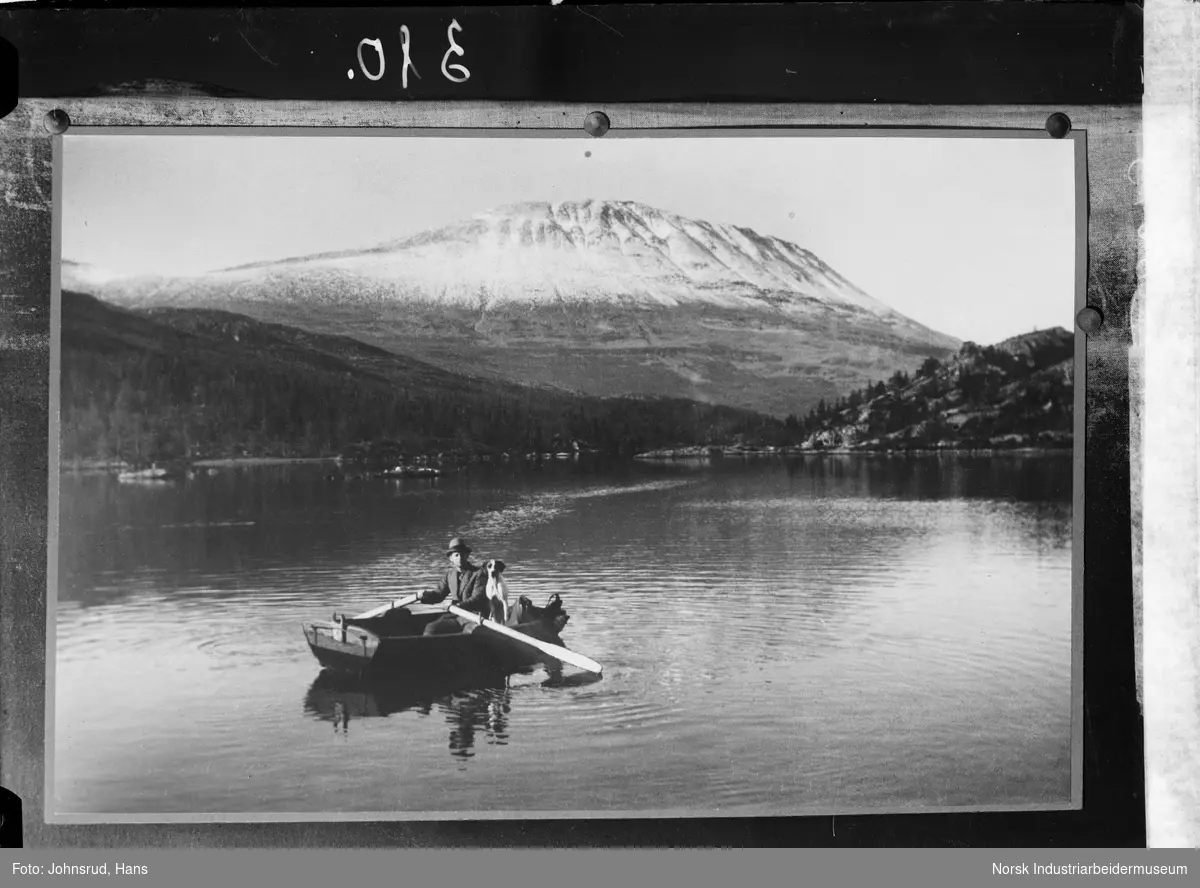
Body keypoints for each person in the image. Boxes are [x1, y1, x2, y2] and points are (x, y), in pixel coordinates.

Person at [419, 537, 491, 635]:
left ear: (467, 555)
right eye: (456, 555)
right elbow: (438, 594)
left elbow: (477, 599)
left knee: (471, 632)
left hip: (474, 617)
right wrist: (425, 596)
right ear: (451, 559)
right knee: (431, 629)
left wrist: (457, 606)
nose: (460, 557)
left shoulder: (479, 573)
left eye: (462, 554)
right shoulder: (450, 575)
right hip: (455, 617)